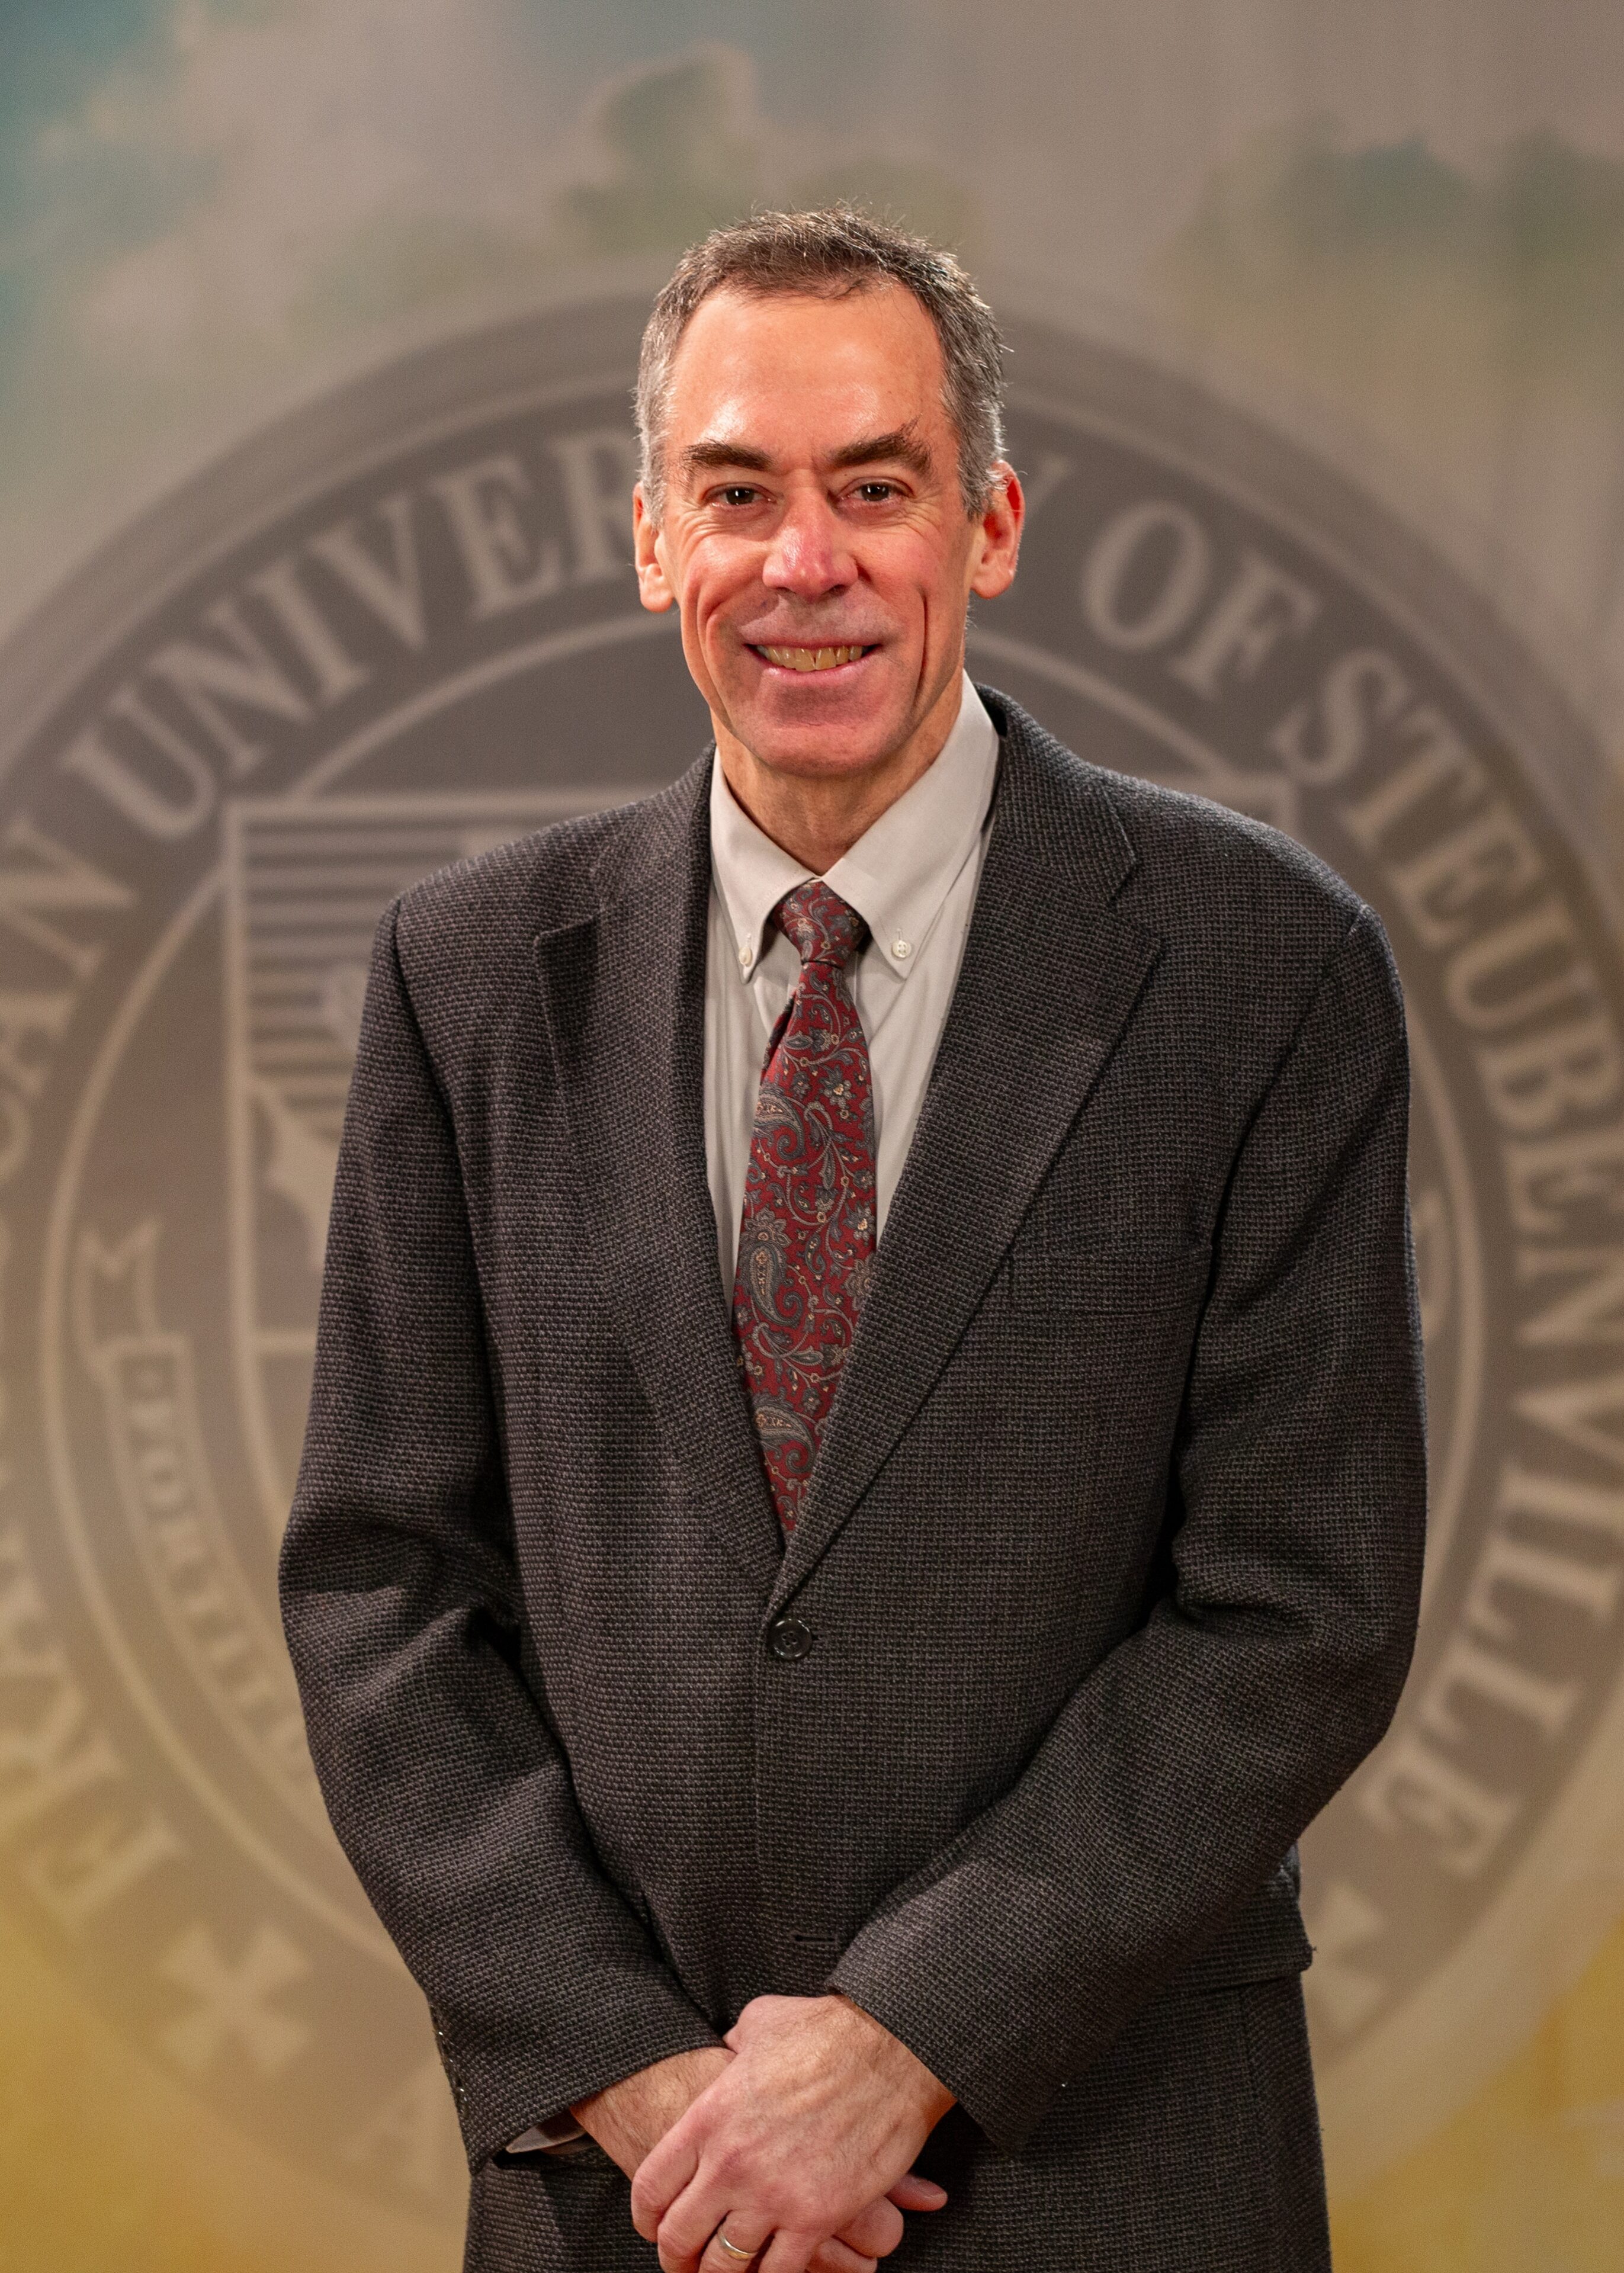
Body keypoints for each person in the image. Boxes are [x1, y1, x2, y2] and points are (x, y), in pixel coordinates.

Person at [280, 208, 1427, 2273]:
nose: (805, 561)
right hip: (631, 2193)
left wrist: (910, 2038)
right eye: (738, 493)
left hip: (1110, 2171)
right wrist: (637, 2083)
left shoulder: (1266, 968)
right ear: (654, 541)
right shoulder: (467, 976)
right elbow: (382, 1594)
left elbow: (1299, 1608)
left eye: (873, 487)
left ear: (987, 524)